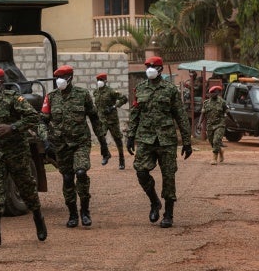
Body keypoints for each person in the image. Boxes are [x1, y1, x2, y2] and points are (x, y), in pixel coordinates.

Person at [0, 68, 46, 245]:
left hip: (16, 152)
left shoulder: (13, 98)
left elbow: (33, 117)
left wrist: (12, 127)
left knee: (26, 188)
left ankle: (38, 218)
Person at [126, 56, 192, 228]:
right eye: (148, 66)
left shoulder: (170, 90)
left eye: (153, 67)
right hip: (145, 138)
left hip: (166, 140)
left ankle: (168, 214)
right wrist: (130, 136)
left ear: (161, 69)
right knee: (141, 172)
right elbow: (135, 114)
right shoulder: (139, 89)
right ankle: (154, 201)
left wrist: (186, 141)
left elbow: (181, 116)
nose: (150, 69)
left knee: (168, 176)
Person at [41, 65, 106, 228]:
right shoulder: (51, 97)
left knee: (81, 172)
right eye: (57, 78)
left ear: (70, 78)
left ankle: (85, 211)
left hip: (80, 142)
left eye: (62, 78)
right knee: (68, 178)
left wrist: (103, 143)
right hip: (61, 145)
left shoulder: (82, 95)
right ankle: (72, 214)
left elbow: (94, 118)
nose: (59, 81)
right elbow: (42, 121)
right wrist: (45, 140)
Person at [93, 72, 128, 170]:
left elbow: (124, 98)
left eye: (101, 80)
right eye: (98, 80)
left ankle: (121, 159)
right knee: (101, 137)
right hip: (101, 120)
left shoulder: (111, 91)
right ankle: (106, 154)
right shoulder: (96, 92)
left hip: (112, 120)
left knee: (117, 139)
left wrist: (114, 107)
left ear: (105, 81)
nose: (99, 82)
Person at [199, 85, 228, 165]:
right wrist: (199, 123)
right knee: (212, 142)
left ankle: (214, 159)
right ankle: (220, 151)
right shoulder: (206, 103)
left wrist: (234, 121)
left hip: (220, 124)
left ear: (217, 93)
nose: (213, 94)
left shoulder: (222, 102)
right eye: (211, 93)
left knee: (216, 141)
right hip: (210, 126)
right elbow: (202, 114)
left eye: (215, 92)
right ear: (209, 94)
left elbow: (228, 112)